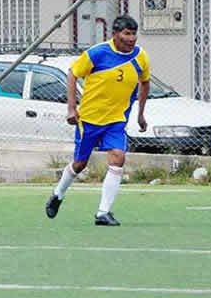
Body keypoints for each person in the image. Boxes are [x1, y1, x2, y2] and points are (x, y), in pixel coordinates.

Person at [44, 15, 150, 226]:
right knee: (80, 164)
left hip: (117, 121)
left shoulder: (141, 57)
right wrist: (72, 108)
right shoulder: (98, 53)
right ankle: (58, 193)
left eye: (133, 34)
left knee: (118, 158)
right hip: (90, 120)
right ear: (115, 34)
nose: (131, 38)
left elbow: (144, 83)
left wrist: (140, 114)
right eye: (126, 34)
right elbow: (72, 74)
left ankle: (103, 212)